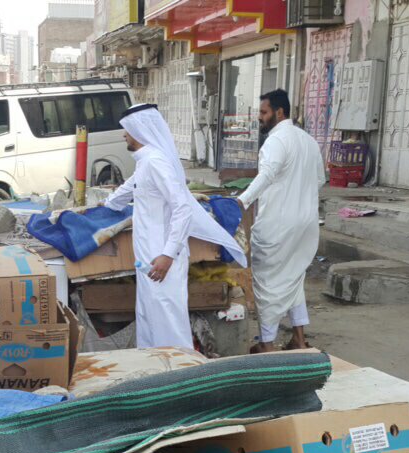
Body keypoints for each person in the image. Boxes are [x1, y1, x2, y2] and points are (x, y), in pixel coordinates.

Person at [104, 104, 246, 349]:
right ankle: (156, 374)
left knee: (169, 324)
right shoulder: (144, 163)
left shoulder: (156, 163)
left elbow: (182, 209)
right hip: (149, 259)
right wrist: (105, 202)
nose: (123, 135)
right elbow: (118, 198)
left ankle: (182, 375)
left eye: (126, 129)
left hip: (163, 259)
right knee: (150, 321)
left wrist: (168, 255)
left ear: (138, 130)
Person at [236, 90, 325, 353]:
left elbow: (267, 175)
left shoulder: (276, 141)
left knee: (266, 282)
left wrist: (241, 202)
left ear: (279, 113)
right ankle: (298, 339)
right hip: (306, 224)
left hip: (278, 224)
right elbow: (320, 180)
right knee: (293, 277)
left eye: (264, 113)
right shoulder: (308, 141)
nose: (260, 119)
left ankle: (267, 344)